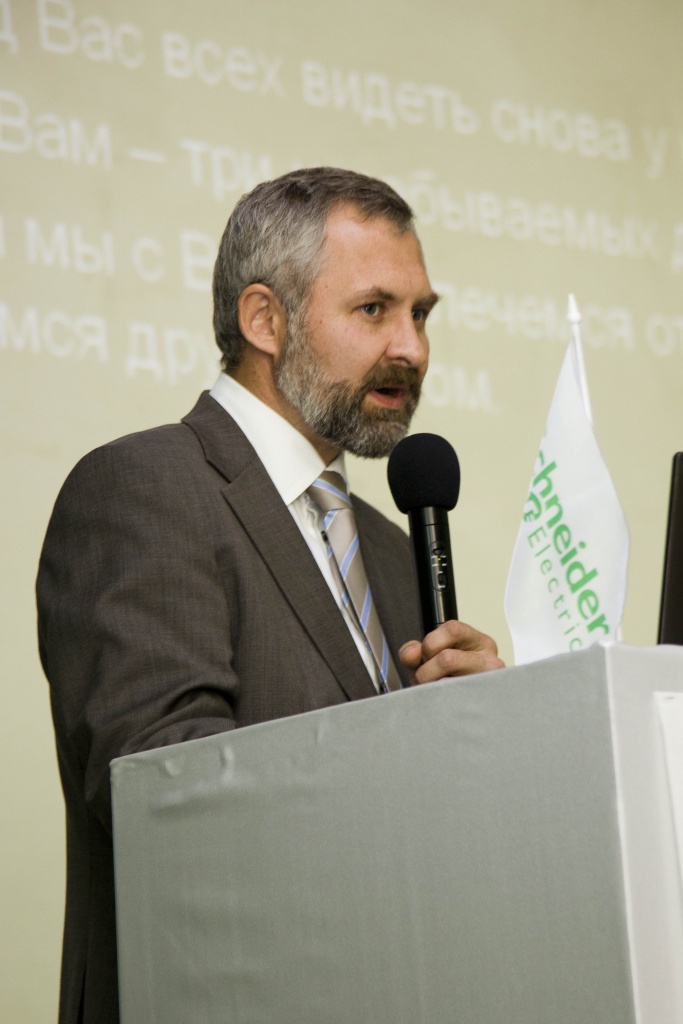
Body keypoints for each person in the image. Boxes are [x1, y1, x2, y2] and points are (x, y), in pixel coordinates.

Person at [37, 167, 503, 1024]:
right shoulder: (144, 487)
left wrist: (482, 737)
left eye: (421, 314)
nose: (412, 348)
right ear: (264, 320)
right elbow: (169, 797)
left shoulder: (394, 548)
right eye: (374, 310)